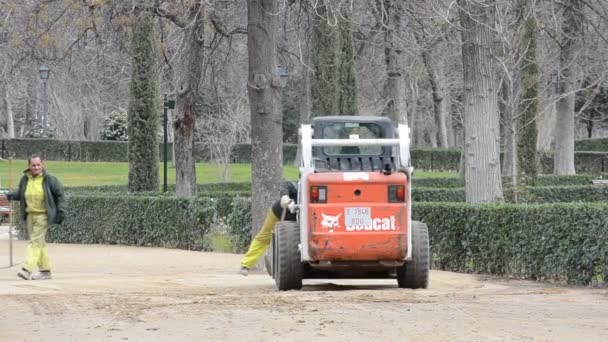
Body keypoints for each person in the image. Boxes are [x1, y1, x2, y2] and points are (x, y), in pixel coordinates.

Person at [6, 154, 66, 280]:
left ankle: (26, 269)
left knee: (34, 242)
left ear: (42, 164)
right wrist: (11, 195)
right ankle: (45, 271)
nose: (36, 167)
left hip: (43, 215)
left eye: (38, 165)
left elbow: (60, 196)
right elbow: (21, 193)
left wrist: (61, 211)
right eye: (33, 165)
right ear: (29, 166)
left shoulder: (50, 179)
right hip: (30, 215)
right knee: (39, 243)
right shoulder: (25, 179)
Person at [239, 181, 297, 276]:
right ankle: (245, 265)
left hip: (299, 220)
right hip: (279, 213)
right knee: (264, 237)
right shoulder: (298, 186)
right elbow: (286, 184)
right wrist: (285, 197)